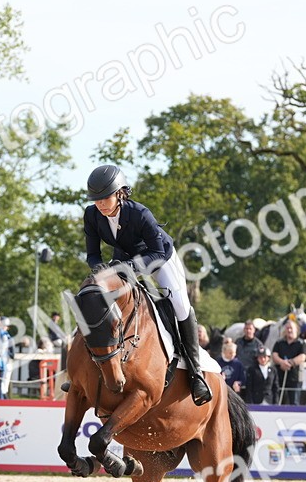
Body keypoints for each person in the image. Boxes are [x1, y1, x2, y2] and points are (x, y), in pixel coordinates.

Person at [82, 164, 211, 405]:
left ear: (120, 193)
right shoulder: (91, 215)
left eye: (105, 198)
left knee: (180, 306)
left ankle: (196, 374)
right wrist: (99, 270)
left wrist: (129, 267)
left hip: (159, 257)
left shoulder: (140, 213)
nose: (100, 204)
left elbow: (158, 252)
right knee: (96, 297)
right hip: (125, 258)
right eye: (96, 199)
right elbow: (92, 254)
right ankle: (87, 370)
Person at [271, 320, 306, 406]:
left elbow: (302, 356)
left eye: (291, 328)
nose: (289, 330)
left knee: (294, 402)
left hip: (294, 378)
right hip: (279, 376)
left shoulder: (301, 343)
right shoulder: (279, 342)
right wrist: (282, 363)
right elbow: (274, 355)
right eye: (287, 328)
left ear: (296, 330)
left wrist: (291, 363)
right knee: (278, 401)